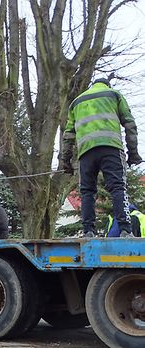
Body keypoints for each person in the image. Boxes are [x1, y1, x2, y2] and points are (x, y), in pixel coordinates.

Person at [62, 77, 142, 238]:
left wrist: (66, 161)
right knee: (118, 187)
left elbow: (68, 135)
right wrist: (133, 153)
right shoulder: (113, 95)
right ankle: (125, 230)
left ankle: (88, 231)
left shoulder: (76, 102)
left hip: (86, 153)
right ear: (107, 85)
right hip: (111, 148)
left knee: (87, 192)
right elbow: (130, 124)